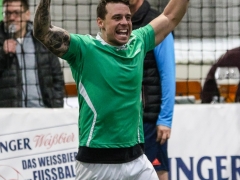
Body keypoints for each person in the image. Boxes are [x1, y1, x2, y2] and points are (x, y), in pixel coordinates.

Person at [34, 0, 188, 179]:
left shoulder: (138, 41)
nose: (124, 22)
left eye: (127, 17)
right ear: (100, 22)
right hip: (97, 164)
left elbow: (170, 16)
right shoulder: (84, 48)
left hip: (136, 159)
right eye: (117, 18)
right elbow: (42, 32)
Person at [0, 0, 65, 108]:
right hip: (8, 117)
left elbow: (57, 76)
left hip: (42, 114)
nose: (12, 18)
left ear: (27, 14)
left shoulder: (42, 40)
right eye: (8, 13)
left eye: (16, 13)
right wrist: (1, 55)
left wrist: (56, 107)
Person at [130, 0, 175, 179]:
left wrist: (165, 119)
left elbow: (168, 74)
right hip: (128, 121)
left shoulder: (157, 21)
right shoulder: (120, 23)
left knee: (158, 173)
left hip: (150, 119)